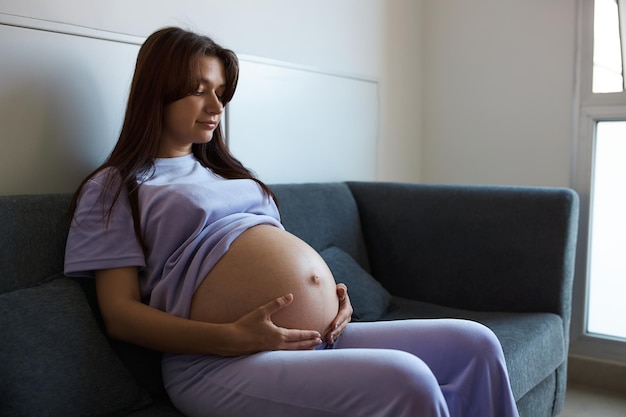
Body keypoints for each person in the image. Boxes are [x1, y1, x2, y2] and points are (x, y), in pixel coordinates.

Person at [64, 27, 520, 417]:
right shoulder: (116, 186)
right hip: (214, 361)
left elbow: (272, 254)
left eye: (220, 92)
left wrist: (331, 298)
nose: (216, 106)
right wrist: (229, 337)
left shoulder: (227, 173)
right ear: (156, 89)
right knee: (409, 379)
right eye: (199, 89)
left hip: (315, 337)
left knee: (476, 344)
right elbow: (120, 315)